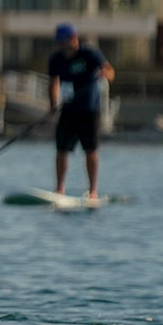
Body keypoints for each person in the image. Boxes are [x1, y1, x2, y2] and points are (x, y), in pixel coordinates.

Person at [46, 22, 113, 197]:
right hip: (68, 109)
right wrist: (53, 104)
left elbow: (110, 71)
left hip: (89, 110)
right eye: (59, 41)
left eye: (63, 41)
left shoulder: (89, 53)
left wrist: (105, 74)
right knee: (61, 150)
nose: (61, 45)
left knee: (90, 150)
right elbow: (53, 83)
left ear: (73, 39)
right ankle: (59, 189)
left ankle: (92, 191)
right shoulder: (56, 59)